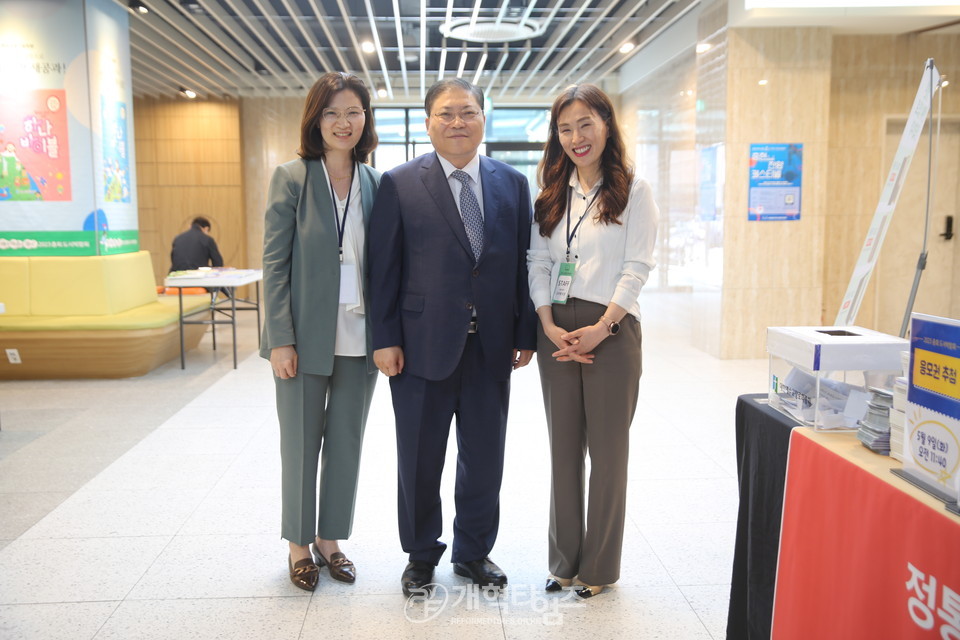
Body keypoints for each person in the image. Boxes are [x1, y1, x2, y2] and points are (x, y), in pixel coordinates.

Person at [368, 78, 537, 598]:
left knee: (485, 457)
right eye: (446, 114)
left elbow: (523, 265)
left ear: (483, 118)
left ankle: (473, 552)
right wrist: (384, 338)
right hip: (419, 348)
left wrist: (525, 331)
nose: (457, 122)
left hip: (491, 346)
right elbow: (383, 271)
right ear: (428, 123)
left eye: (467, 112)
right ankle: (421, 554)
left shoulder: (512, 183)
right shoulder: (398, 183)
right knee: (419, 457)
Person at [527, 84, 659, 599]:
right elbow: (537, 263)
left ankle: (599, 568)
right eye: (565, 128)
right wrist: (548, 323)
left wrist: (602, 329)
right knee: (563, 451)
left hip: (613, 330)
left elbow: (637, 266)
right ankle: (563, 562)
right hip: (557, 331)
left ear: (606, 124)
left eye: (586, 124)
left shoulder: (634, 189)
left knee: (607, 455)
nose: (577, 137)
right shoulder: (551, 193)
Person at [260, 72, 380, 592]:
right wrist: (279, 338)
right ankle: (298, 544)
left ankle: (332, 539)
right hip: (303, 338)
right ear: (315, 119)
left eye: (353, 112)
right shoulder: (292, 177)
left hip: (360, 334)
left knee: (347, 441)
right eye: (332, 113)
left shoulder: (376, 182)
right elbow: (274, 264)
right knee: (301, 443)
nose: (343, 122)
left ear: (365, 119)